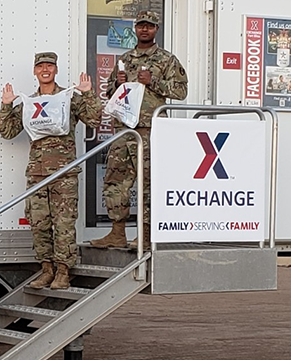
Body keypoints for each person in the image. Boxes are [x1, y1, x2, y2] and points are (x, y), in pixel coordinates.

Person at [0, 52, 102, 290]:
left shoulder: (68, 98)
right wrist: (6, 105)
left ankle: (63, 272)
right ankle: (46, 269)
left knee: (63, 223)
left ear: (56, 70)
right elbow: (8, 131)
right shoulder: (29, 103)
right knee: (39, 224)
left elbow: (95, 119)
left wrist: (87, 93)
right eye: (41, 66)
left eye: (50, 66)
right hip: (37, 174)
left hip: (64, 174)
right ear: (35, 71)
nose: (45, 70)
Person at [90, 10, 188, 250]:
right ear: (135, 28)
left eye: (150, 26)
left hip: (149, 130)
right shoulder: (125, 58)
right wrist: (117, 83)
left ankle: (145, 235)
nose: (145, 29)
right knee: (115, 181)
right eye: (141, 25)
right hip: (124, 129)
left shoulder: (166, 59)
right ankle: (117, 232)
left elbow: (181, 92)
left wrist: (152, 81)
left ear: (156, 30)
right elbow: (109, 93)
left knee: (148, 183)